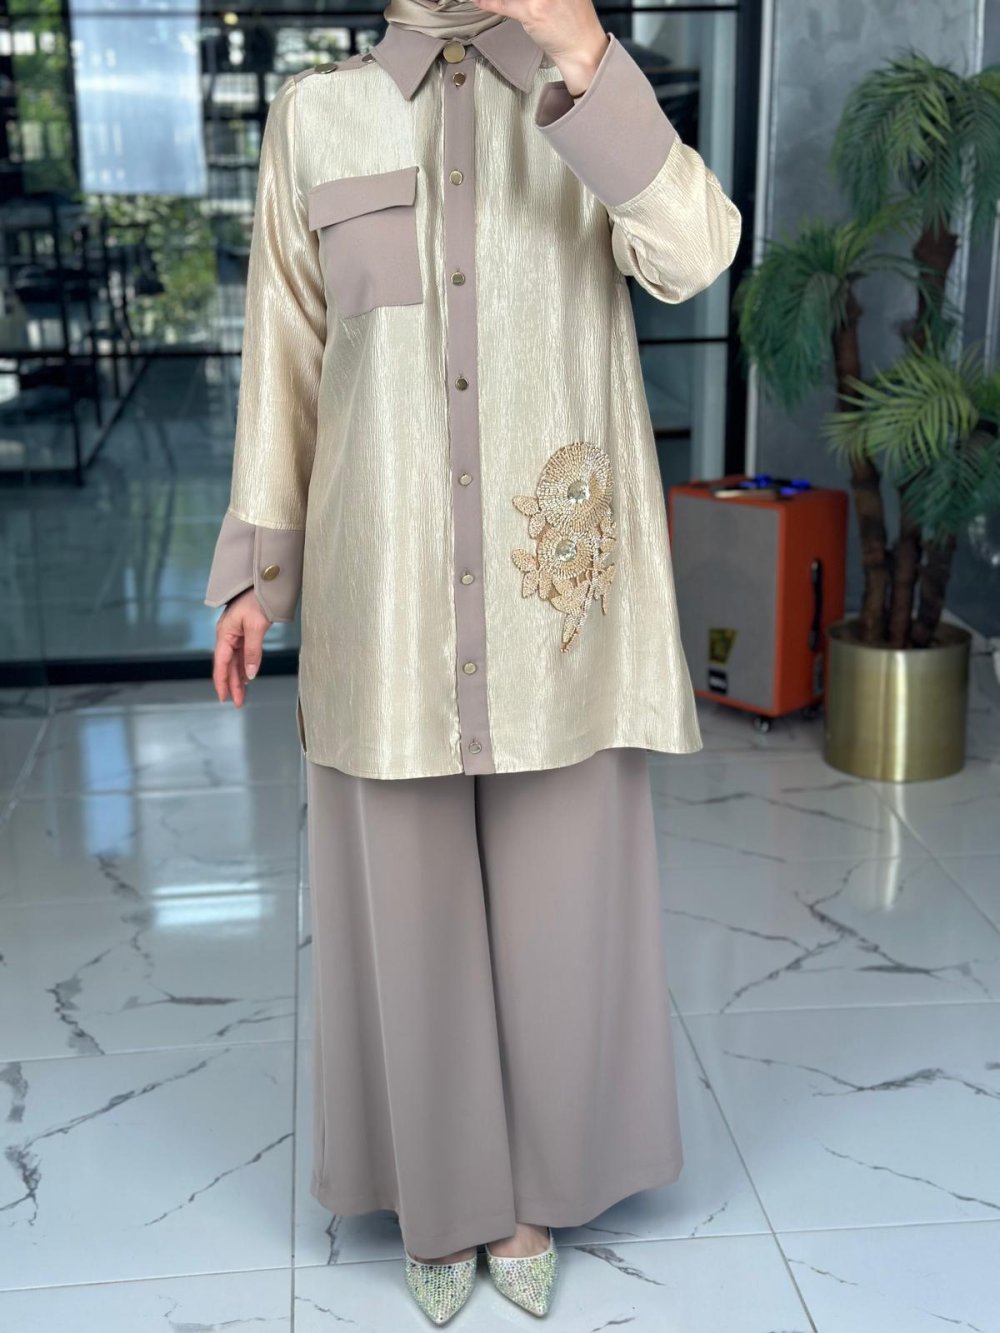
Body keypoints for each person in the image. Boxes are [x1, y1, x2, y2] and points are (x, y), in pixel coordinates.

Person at [205, 0, 741, 1321]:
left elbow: (695, 255)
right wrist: (256, 575)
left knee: (566, 903)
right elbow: (285, 357)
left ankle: (539, 1187)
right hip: (384, 595)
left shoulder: (584, 90)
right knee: (409, 905)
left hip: (555, 600)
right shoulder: (317, 116)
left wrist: (584, 53)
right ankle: (440, 1196)